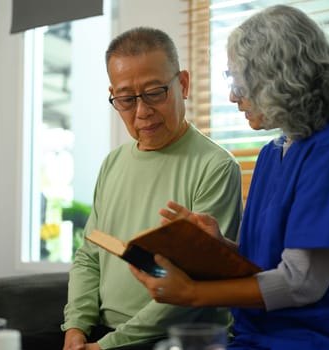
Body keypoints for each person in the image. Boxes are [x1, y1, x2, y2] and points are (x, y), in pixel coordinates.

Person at [130, 5, 329, 350]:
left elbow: (302, 282)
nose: (233, 97)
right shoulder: (272, 155)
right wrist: (220, 247)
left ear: (279, 78)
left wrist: (192, 293)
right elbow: (271, 265)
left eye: (238, 82)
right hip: (262, 337)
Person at [61, 27, 242, 350]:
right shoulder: (112, 164)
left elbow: (190, 287)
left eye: (155, 92)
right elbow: (91, 254)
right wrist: (75, 330)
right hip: (105, 335)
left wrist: (107, 346)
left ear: (183, 84)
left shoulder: (215, 166)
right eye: (126, 99)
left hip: (177, 338)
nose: (142, 112)